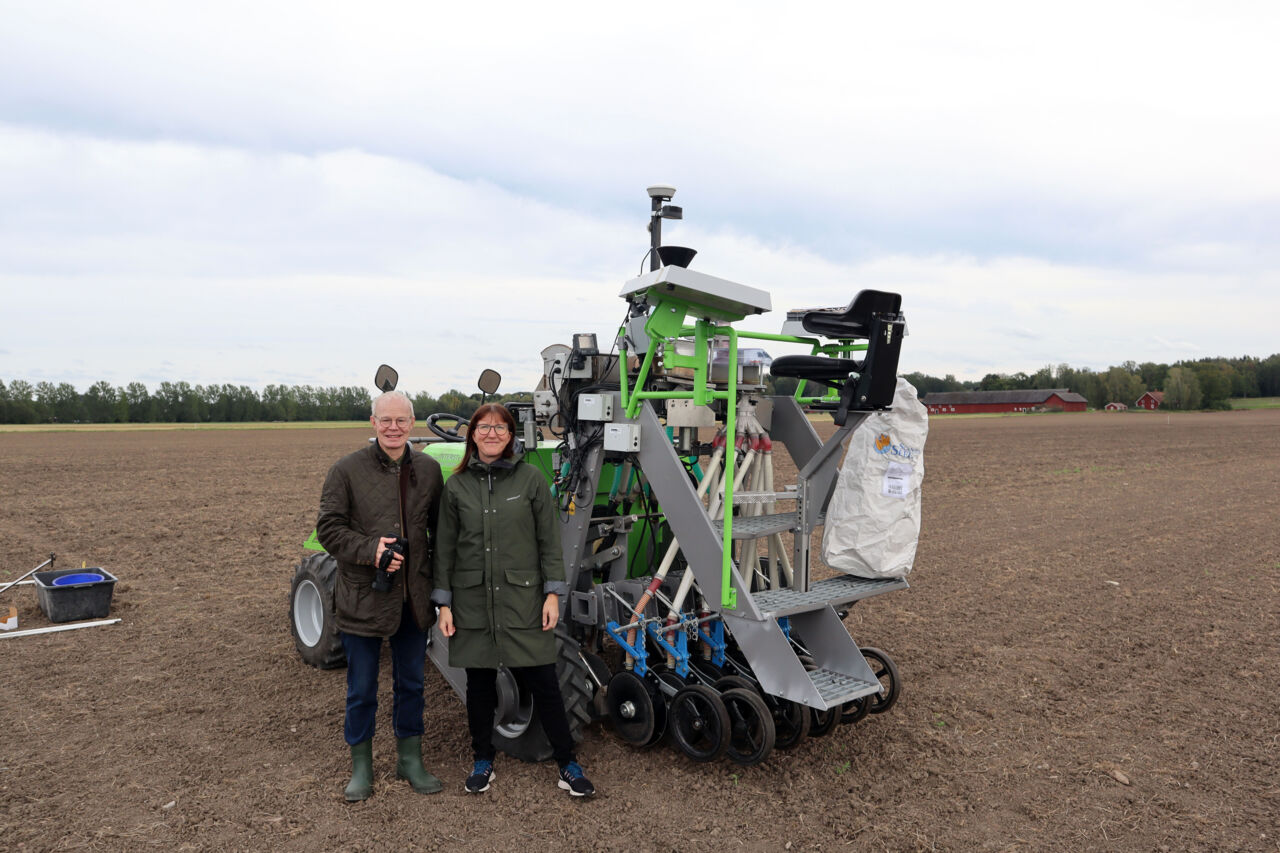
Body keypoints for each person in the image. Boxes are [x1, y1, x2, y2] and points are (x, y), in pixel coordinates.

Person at [432, 403, 596, 797]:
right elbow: (445, 549)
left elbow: (548, 542)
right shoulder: (456, 487)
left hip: (523, 598)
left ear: (511, 435)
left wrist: (553, 594)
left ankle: (567, 764)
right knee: (480, 684)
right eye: (484, 428)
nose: (492, 434)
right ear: (472, 434)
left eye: (500, 428)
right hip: (472, 600)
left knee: (544, 681)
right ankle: (483, 760)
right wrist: (444, 603)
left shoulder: (531, 480)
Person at [316, 390, 444, 802]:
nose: (393, 428)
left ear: (412, 424)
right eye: (385, 420)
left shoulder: (427, 470)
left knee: (412, 684)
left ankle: (410, 760)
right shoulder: (345, 471)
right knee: (362, 687)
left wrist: (440, 593)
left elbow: (439, 533)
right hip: (362, 598)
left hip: (412, 599)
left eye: (401, 421)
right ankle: (362, 767)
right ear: (372, 423)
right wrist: (371, 550)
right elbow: (329, 530)